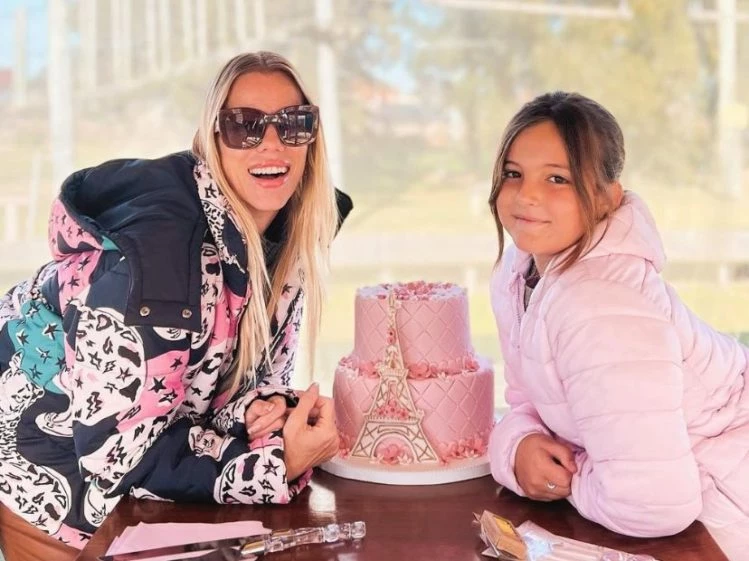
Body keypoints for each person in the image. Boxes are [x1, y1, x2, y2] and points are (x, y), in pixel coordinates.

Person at [0, 51, 352, 560]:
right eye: (245, 125)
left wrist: (261, 410)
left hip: (139, 504)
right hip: (50, 492)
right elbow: (115, 454)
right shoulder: (155, 260)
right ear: (212, 138)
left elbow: (204, 385)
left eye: (293, 123)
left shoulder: (287, 239)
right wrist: (277, 464)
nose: (272, 142)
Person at [487, 91, 748, 560]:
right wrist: (518, 447)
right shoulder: (519, 270)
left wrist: (567, 475)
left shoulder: (601, 305)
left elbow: (653, 504)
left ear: (607, 198)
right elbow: (528, 401)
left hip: (725, 508)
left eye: (557, 178)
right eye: (513, 173)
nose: (527, 195)